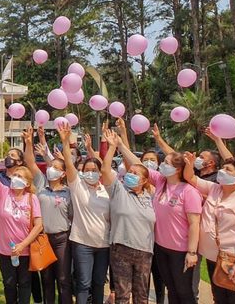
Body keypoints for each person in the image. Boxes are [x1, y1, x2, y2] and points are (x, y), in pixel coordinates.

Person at [120, 131, 202, 304]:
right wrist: (120, 144)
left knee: (184, 292)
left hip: (181, 251)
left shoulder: (189, 192)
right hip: (160, 247)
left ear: (178, 169)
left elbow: (195, 224)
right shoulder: (160, 182)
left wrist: (192, 252)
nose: (161, 165)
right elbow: (138, 165)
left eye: (165, 162)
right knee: (172, 290)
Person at [0, 138, 42, 304]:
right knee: (9, 284)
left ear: (26, 182)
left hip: (25, 251)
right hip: (5, 250)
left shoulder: (32, 198)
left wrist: (22, 245)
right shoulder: (3, 192)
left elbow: (38, 225)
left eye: (19, 176)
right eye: (14, 175)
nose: (15, 178)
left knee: (25, 284)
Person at [183, 149, 235, 304]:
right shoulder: (214, 189)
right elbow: (189, 177)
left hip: (232, 260)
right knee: (218, 296)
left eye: (227, 170)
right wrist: (190, 163)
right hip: (212, 257)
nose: (222, 171)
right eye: (223, 168)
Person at [57, 123, 110, 304]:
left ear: (100, 173)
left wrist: (106, 145)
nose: (91, 173)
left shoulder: (107, 190)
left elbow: (105, 164)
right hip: (82, 244)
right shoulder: (78, 187)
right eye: (87, 170)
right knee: (83, 283)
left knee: (98, 283)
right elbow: (69, 165)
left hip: (104, 245)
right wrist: (65, 143)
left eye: (94, 171)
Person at [101, 129, 156, 303]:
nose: (130, 175)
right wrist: (112, 146)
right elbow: (105, 169)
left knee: (142, 296)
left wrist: (123, 141)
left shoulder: (151, 194)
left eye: (135, 174)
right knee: (123, 295)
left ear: (145, 180)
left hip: (144, 252)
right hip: (121, 249)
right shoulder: (118, 189)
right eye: (129, 172)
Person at [28, 131, 73, 304]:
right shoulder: (41, 187)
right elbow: (31, 163)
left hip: (62, 239)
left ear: (63, 173)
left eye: (56, 168)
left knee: (63, 279)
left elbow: (72, 216)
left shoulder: (69, 192)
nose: (51, 169)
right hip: (42, 239)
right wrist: (29, 142)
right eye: (50, 166)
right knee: (46, 279)